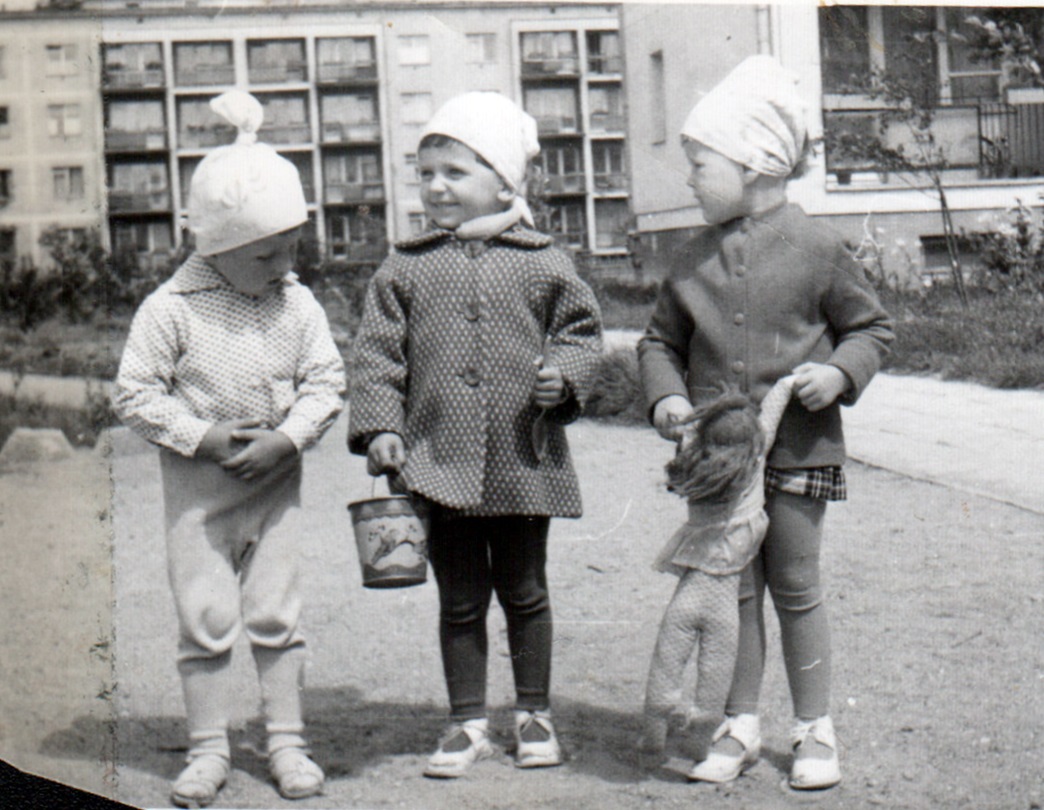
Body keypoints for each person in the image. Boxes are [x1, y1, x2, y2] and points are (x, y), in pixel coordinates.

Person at [638, 55, 894, 790]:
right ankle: (739, 722)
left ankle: (814, 728)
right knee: (733, 588)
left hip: (802, 450)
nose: (690, 177)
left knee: (796, 582)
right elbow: (658, 343)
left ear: (752, 164)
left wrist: (838, 373)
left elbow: (871, 329)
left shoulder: (817, 247)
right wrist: (666, 399)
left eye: (701, 163)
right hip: (721, 461)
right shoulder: (690, 258)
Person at [347, 91, 602, 779]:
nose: (436, 187)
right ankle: (466, 721)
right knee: (460, 598)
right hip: (437, 461)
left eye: (455, 172)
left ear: (504, 182)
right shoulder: (405, 266)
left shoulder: (543, 260)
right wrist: (380, 426)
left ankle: (534, 712)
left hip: (523, 460)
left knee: (525, 590)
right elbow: (376, 356)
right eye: (426, 173)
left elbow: (581, 333)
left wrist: (564, 380)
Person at [114, 90, 346, 807]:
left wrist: (289, 438)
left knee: (276, 612)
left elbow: (326, 380)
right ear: (215, 245)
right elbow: (134, 394)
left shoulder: (296, 304)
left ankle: (287, 742)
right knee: (207, 616)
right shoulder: (171, 310)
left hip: (274, 486)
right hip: (200, 494)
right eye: (267, 252)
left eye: (291, 247)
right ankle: (208, 747)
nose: (284, 264)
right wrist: (205, 438)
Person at [640, 377, 793, 757]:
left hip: (688, 595)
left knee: (666, 665)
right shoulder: (753, 463)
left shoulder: (698, 464)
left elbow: (688, 430)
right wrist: (789, 382)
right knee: (713, 677)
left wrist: (689, 416)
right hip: (723, 600)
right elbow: (772, 411)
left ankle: (653, 733)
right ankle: (699, 743)